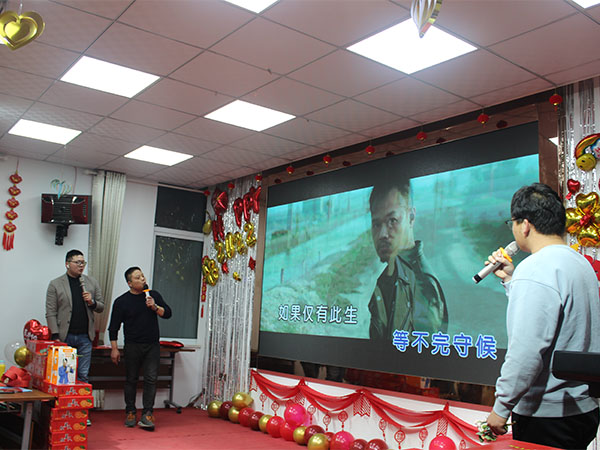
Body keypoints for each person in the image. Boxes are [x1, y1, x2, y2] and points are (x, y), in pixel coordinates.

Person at [485, 183, 600, 449]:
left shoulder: (535, 270)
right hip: (582, 408)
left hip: (547, 415)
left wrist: (501, 407)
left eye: (512, 223)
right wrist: (512, 281)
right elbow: (559, 322)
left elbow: (526, 350)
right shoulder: (579, 263)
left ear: (525, 225)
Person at [368, 175, 447, 342]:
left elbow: (424, 353)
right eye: (376, 224)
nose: (382, 234)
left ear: (411, 217)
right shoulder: (389, 276)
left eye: (392, 221)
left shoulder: (421, 284)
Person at [108, 267, 172, 430]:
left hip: (152, 346)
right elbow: (113, 327)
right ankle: (130, 412)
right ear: (130, 283)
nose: (143, 279)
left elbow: (168, 313)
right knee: (131, 379)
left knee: (151, 379)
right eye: (138, 277)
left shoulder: (152, 295)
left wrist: (154, 307)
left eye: (142, 276)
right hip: (132, 346)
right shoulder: (121, 301)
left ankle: (147, 413)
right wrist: (114, 349)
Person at [46, 249, 104, 384]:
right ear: (67, 264)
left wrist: (92, 302)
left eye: (83, 263)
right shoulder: (55, 284)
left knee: (83, 374)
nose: (81, 265)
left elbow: (101, 307)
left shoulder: (92, 282)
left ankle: (81, 398)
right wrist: (55, 335)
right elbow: (50, 312)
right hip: (64, 336)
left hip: (85, 337)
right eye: (77, 262)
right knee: (64, 375)